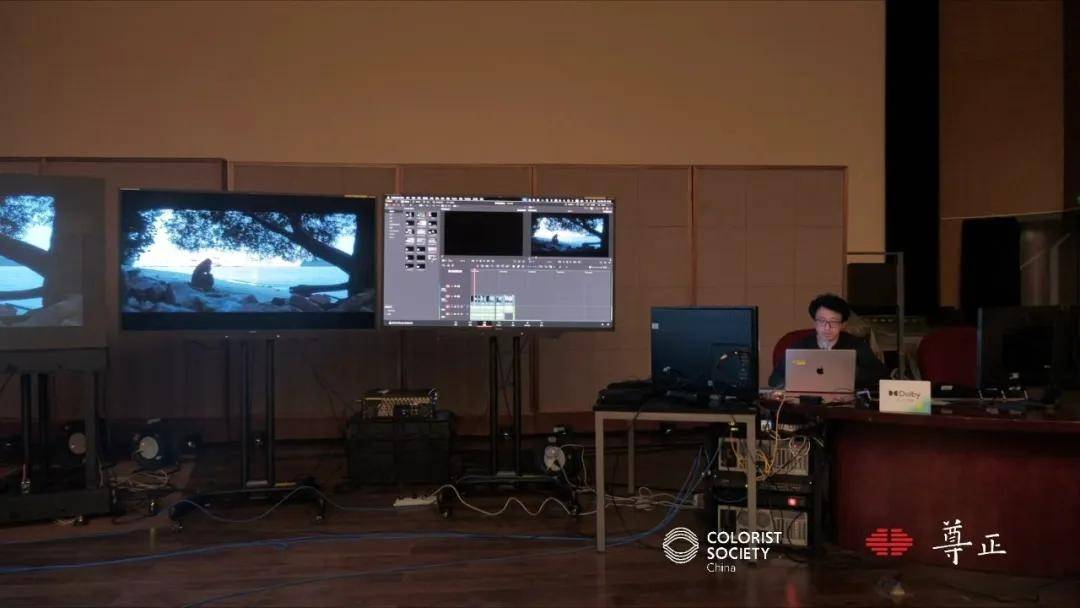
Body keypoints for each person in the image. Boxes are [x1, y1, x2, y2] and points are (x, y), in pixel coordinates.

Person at [768, 293, 888, 390]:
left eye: (833, 321)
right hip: (807, 401)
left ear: (843, 325)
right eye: (821, 321)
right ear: (815, 322)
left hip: (844, 401)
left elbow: (881, 374)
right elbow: (774, 380)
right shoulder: (800, 346)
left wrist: (854, 373)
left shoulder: (856, 345)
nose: (827, 327)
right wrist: (794, 382)